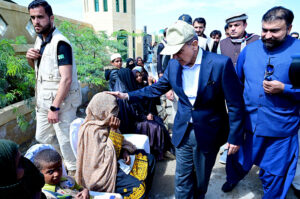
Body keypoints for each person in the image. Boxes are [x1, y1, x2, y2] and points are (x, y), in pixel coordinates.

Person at [108, 20, 245, 198]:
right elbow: (155, 89)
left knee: (201, 180)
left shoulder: (220, 64)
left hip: (209, 132)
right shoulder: (173, 65)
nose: (174, 57)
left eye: (178, 52)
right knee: (182, 178)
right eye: (171, 53)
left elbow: (235, 103)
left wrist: (234, 137)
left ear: (194, 44)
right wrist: (127, 95)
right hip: (183, 131)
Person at [222, 7, 300, 199]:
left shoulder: (298, 52)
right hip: (248, 123)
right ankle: (232, 179)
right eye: (264, 30)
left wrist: (285, 89)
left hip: (280, 128)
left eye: (275, 31)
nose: (267, 35)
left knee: (275, 175)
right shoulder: (250, 50)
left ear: (289, 28)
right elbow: (237, 84)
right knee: (237, 161)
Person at [26, 0, 81, 175]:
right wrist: (30, 57)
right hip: (43, 103)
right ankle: (60, 168)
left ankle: (76, 180)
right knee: (43, 138)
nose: (36, 21)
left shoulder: (60, 43)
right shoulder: (39, 40)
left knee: (66, 143)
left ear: (51, 18)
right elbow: (40, 71)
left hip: (60, 105)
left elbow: (66, 79)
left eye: (40, 17)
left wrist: (54, 107)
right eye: (33, 18)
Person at [75, 92, 155, 198]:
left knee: (150, 159)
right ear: (102, 110)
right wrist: (113, 131)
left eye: (115, 110)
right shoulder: (91, 130)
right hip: (102, 174)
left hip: (115, 162)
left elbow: (120, 142)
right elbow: (105, 159)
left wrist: (125, 151)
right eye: (112, 111)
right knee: (138, 189)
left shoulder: (105, 122)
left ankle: (146, 195)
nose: (115, 115)